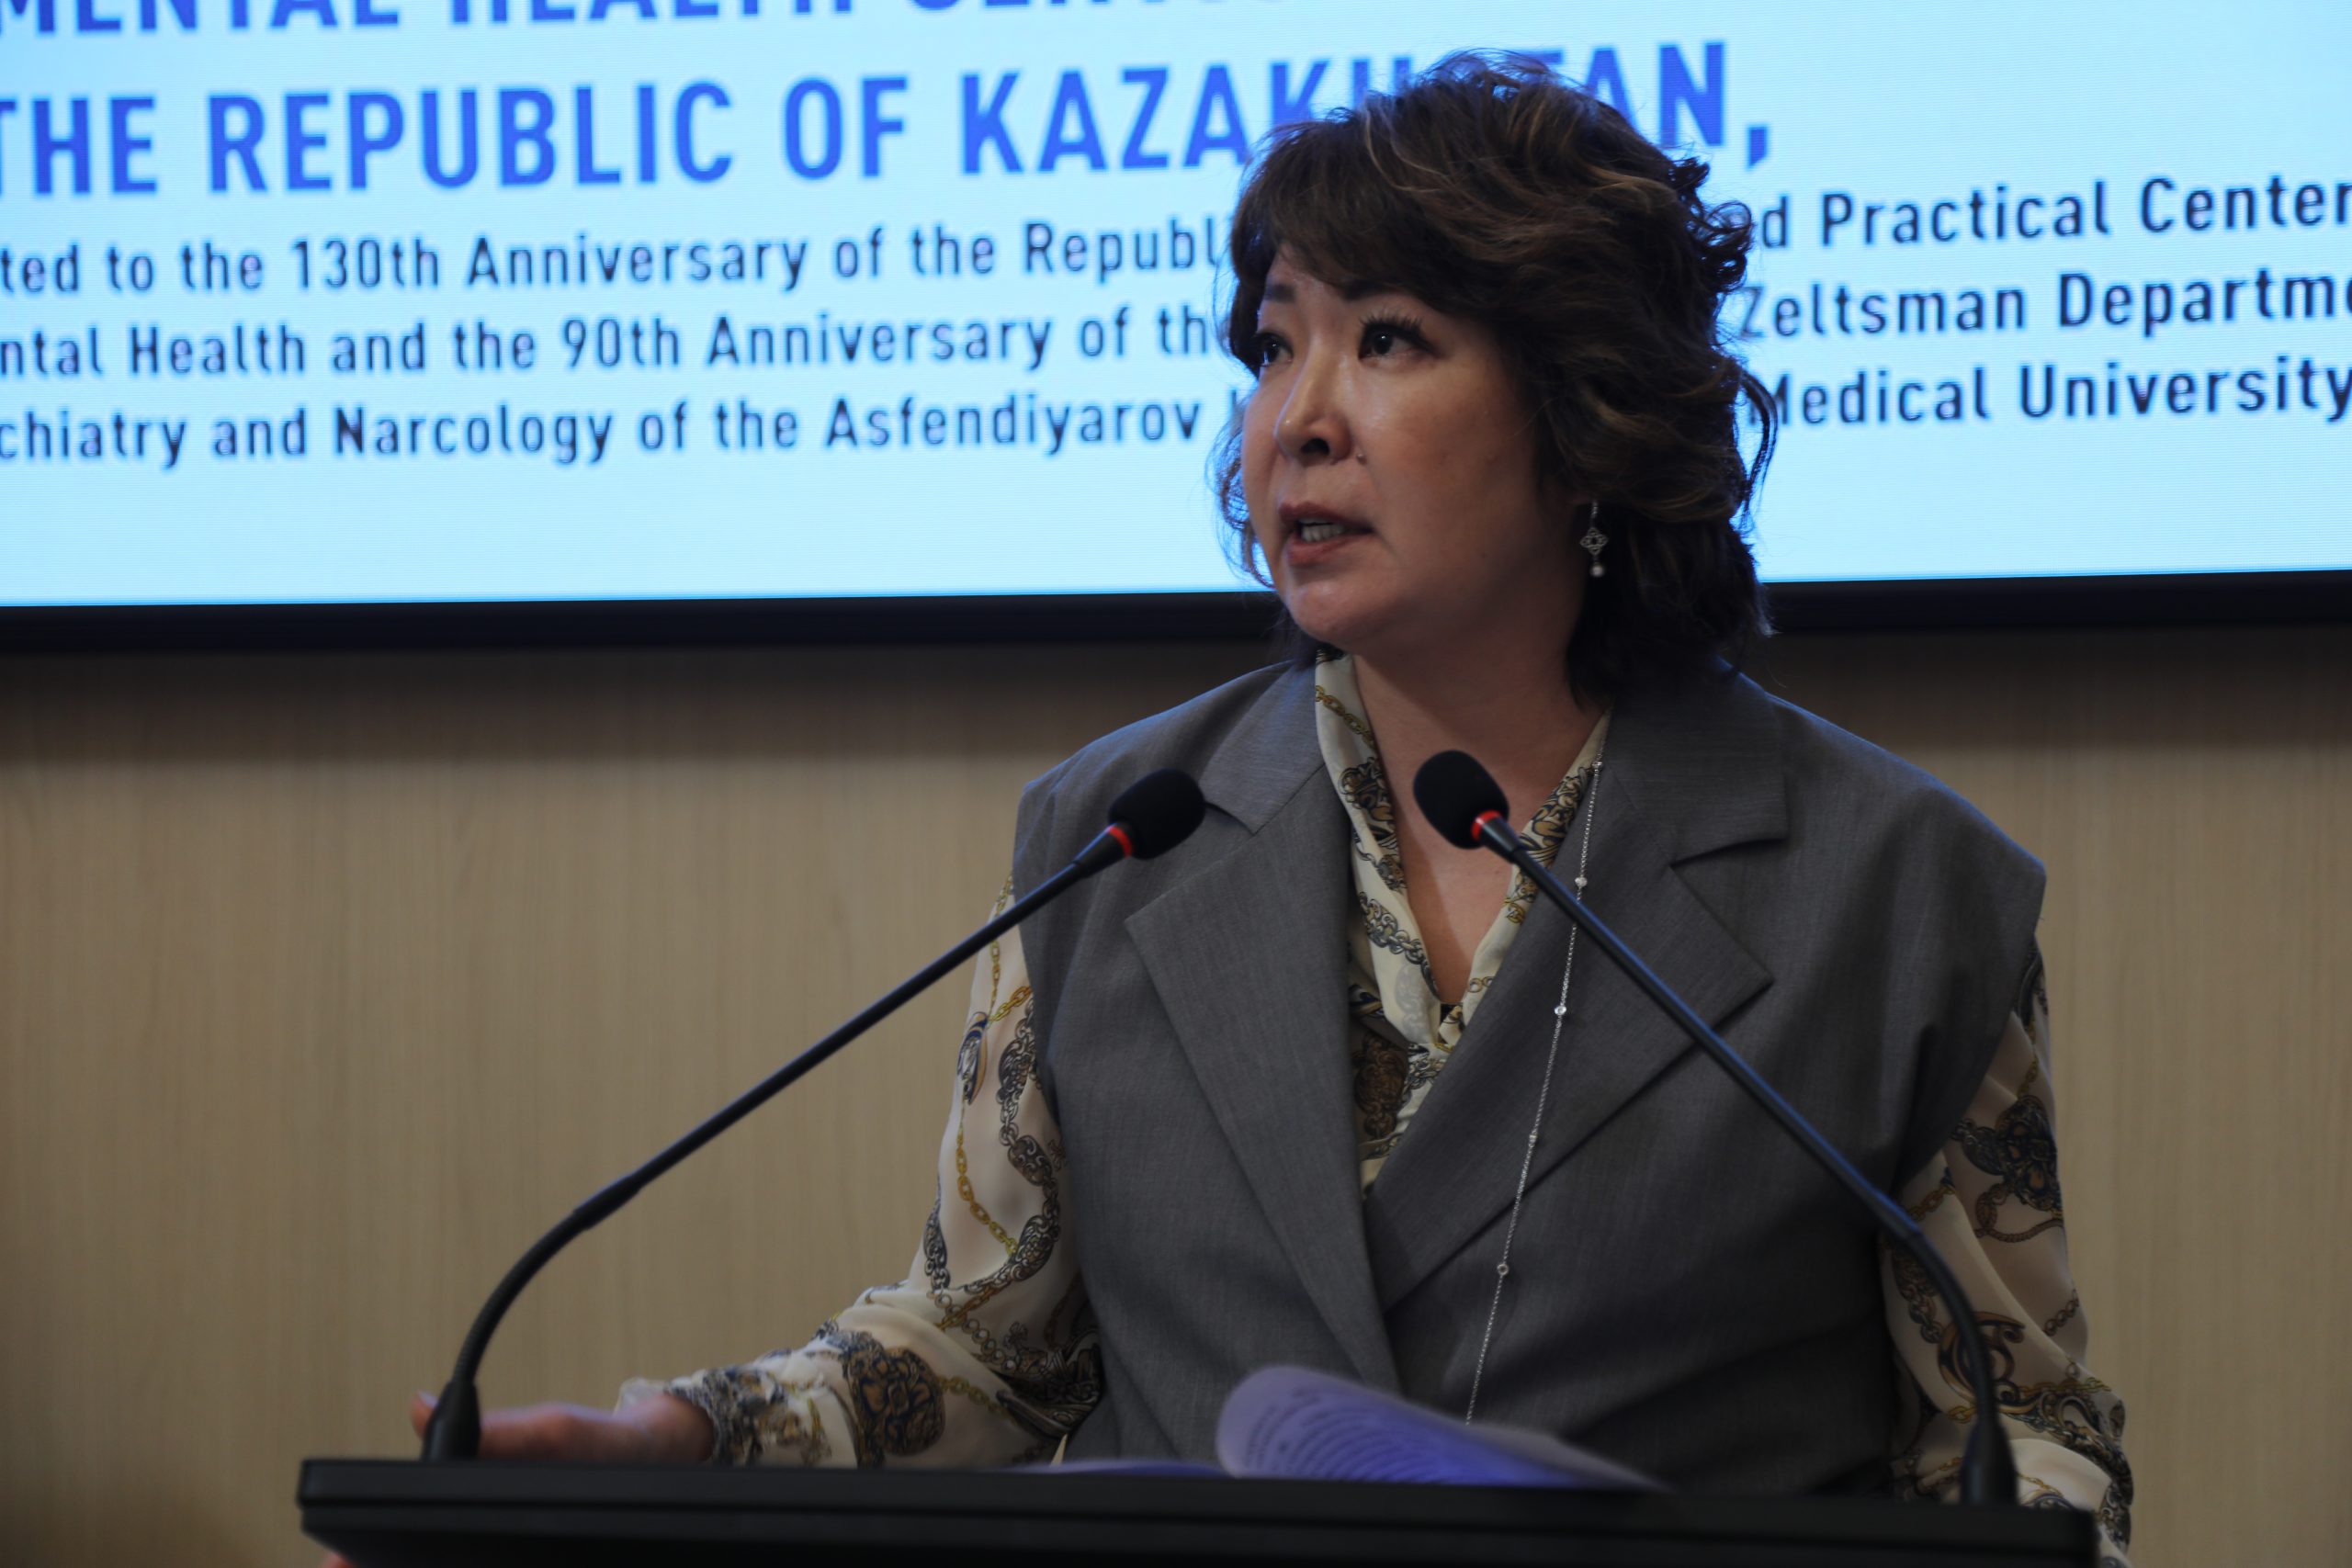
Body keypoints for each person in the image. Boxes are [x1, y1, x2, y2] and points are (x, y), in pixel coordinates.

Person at [379, 53, 2132, 1563]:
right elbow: (984, 1352)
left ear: (1588, 415)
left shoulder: (1892, 888)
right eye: (1275, 347)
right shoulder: (1116, 836)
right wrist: (681, 1441)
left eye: (1389, 340)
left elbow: (2018, 1437)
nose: (1296, 421)